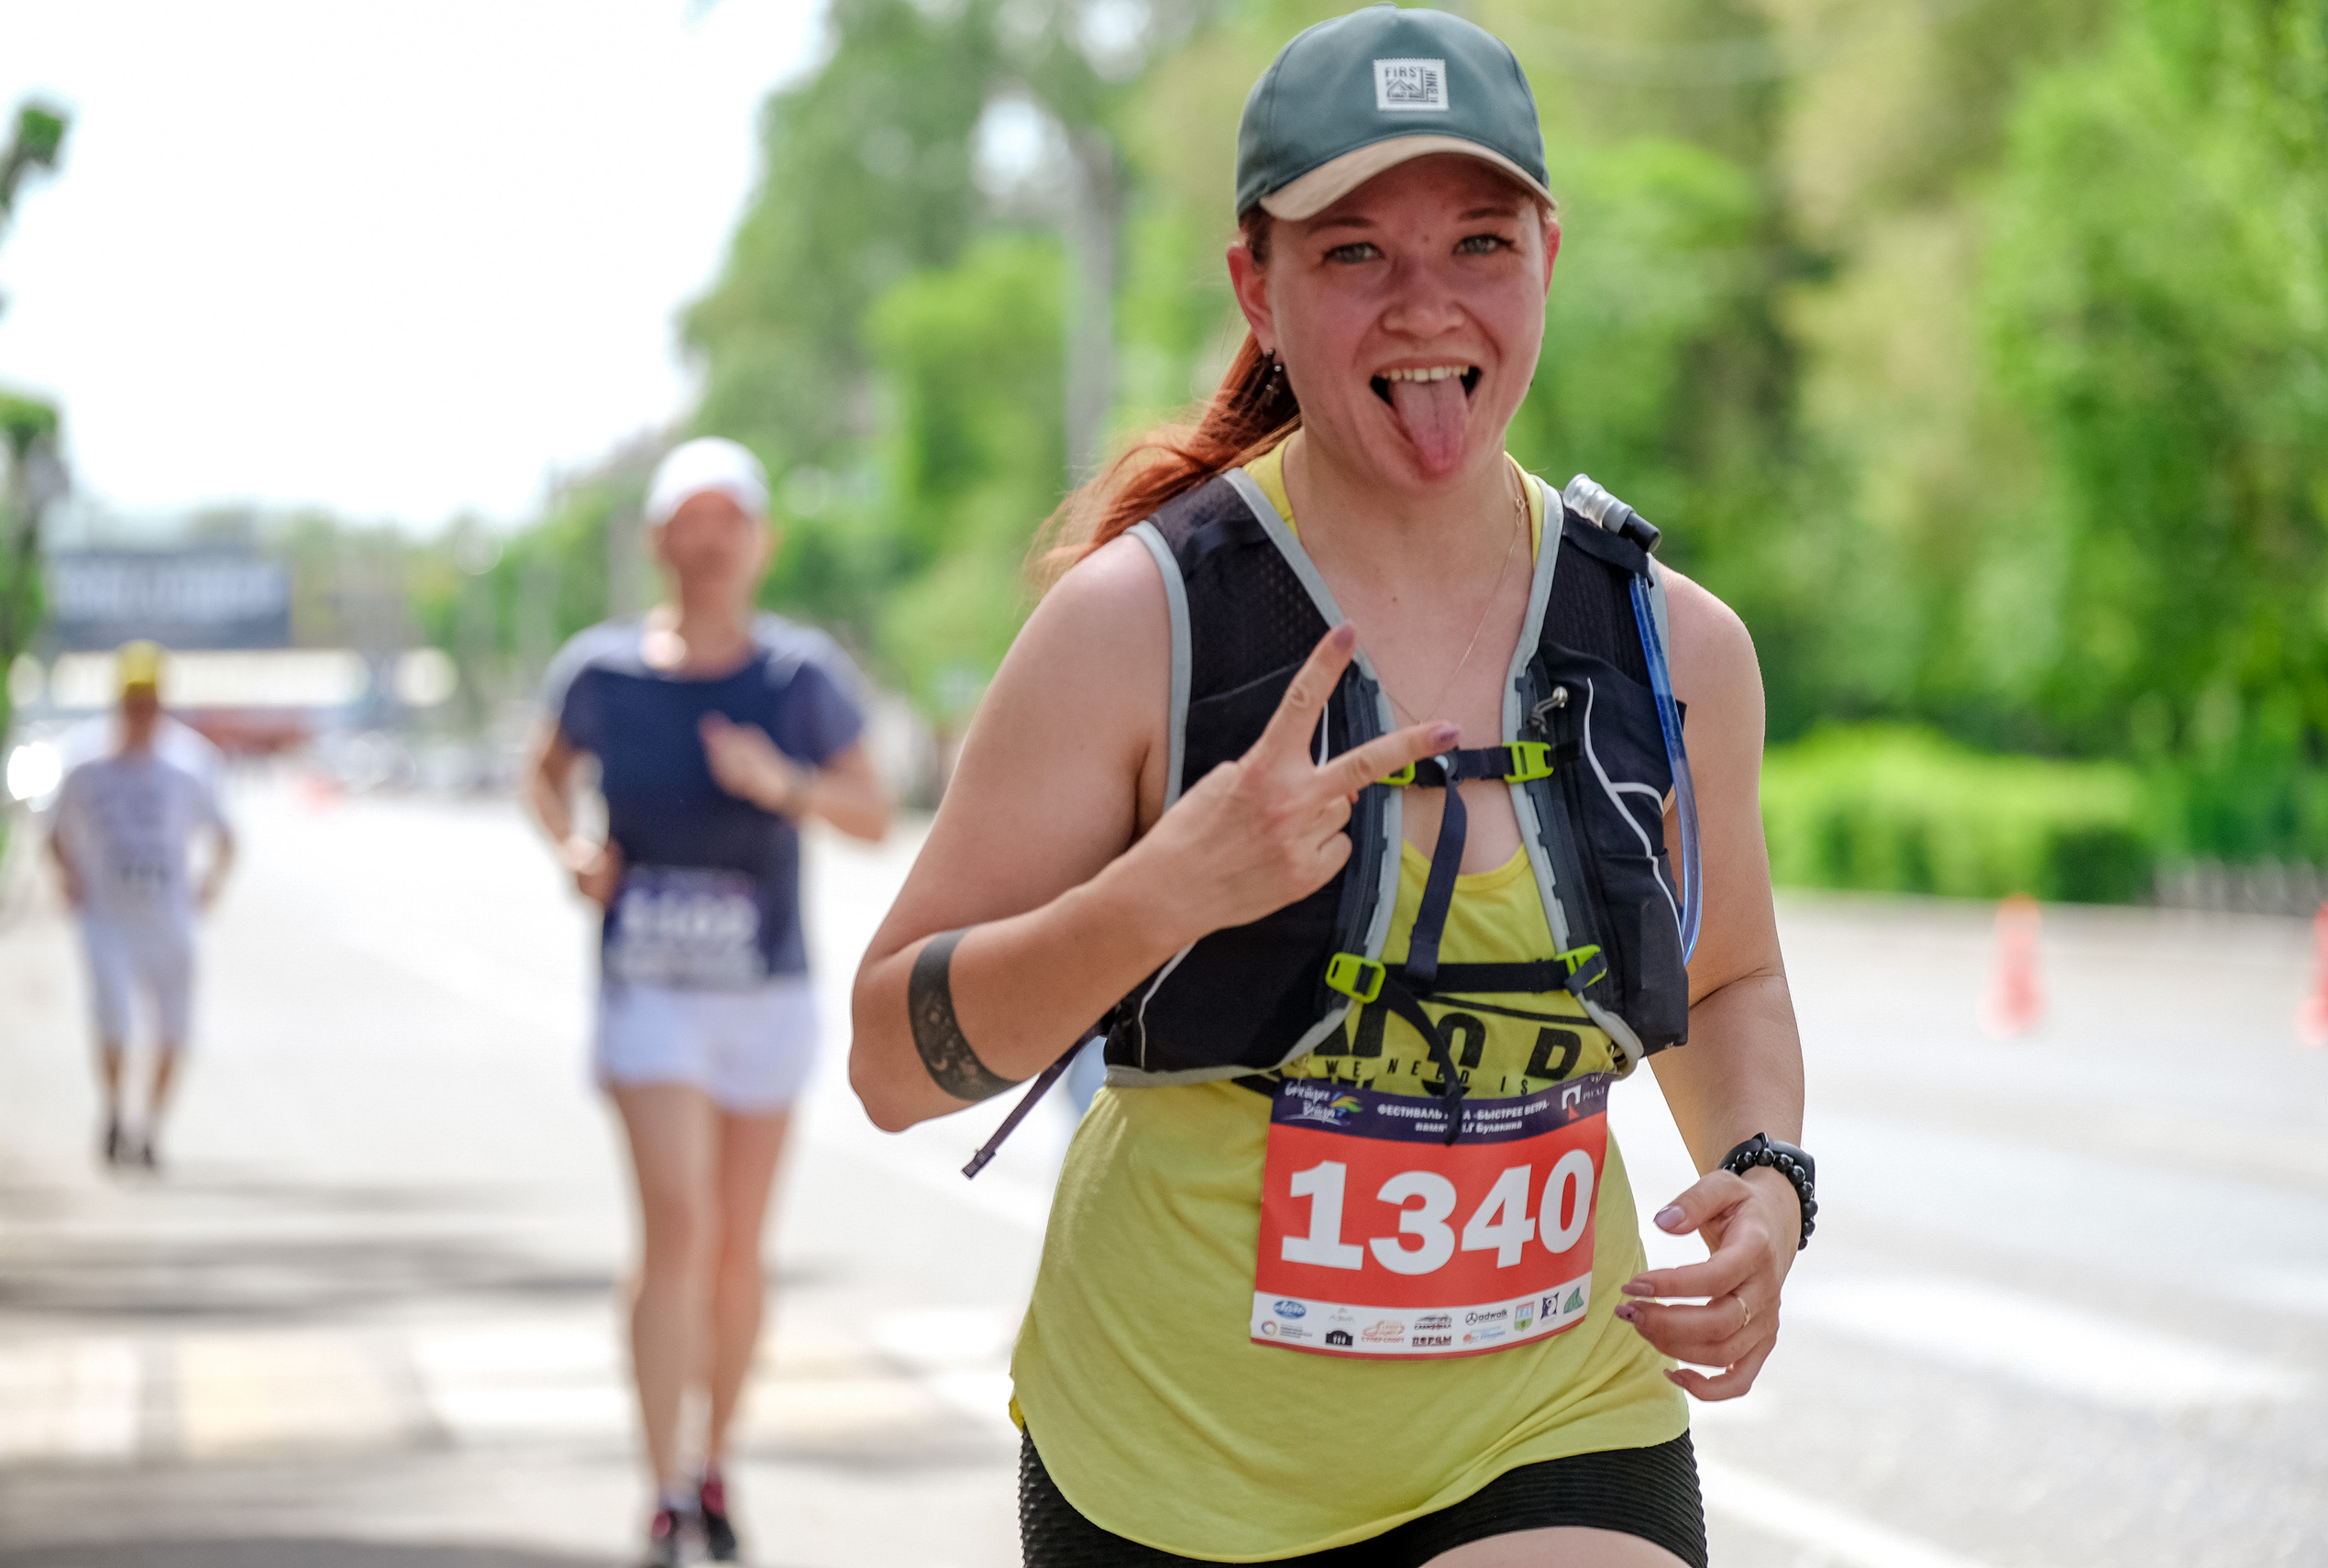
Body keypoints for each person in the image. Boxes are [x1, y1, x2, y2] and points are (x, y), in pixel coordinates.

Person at [849, 8, 1814, 1565]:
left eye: (1480, 243)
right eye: (1356, 252)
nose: (1427, 305)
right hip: (1177, 1463)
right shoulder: (1136, 625)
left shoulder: (1671, 643)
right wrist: (1165, 892)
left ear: (1548, 258)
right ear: (1259, 284)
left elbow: (1738, 972)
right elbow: (894, 1060)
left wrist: (1764, 1179)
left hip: (1553, 1412)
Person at [524, 436, 891, 1567]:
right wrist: (575, 847)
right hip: (650, 990)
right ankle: (660, 1482)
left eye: (730, 519)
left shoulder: (797, 678)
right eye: (689, 519)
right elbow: (543, 771)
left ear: (760, 540)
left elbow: (874, 813)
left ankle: (715, 1457)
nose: (709, 539)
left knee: (737, 1249)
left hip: (763, 990)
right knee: (675, 1228)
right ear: (657, 539)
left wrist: (777, 782)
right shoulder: (602, 672)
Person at [48, 641, 236, 1172]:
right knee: (113, 1023)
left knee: (174, 1028)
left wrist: (210, 886)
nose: (141, 711)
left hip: (168, 918)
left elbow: (227, 837)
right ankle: (113, 1111)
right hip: (107, 920)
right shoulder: (84, 761)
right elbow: (54, 834)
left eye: (149, 700)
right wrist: (67, 878)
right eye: (132, 700)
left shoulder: (192, 762)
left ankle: (150, 1129)